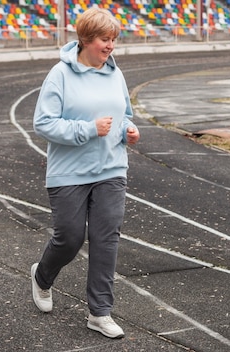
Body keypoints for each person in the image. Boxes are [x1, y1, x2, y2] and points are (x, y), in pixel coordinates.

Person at [30, 7, 140, 339]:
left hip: (111, 169)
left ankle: (100, 312)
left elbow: (124, 114)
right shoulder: (60, 75)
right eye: (105, 40)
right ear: (86, 39)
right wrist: (88, 129)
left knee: (107, 240)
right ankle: (42, 277)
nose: (110, 47)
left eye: (113, 40)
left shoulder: (115, 74)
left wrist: (129, 131)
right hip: (70, 173)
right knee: (70, 237)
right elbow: (43, 123)